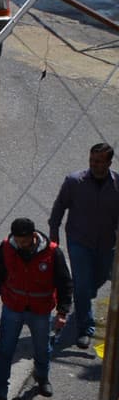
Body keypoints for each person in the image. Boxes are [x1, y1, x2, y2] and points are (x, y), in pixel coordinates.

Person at [0, 217, 72, 400]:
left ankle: (42, 378)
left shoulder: (52, 252)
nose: (21, 245)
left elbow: (64, 283)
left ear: (33, 236)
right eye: (18, 240)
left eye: (24, 241)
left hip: (40, 311)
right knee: (4, 353)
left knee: (42, 349)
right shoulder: (7, 247)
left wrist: (62, 312)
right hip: (13, 308)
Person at [51, 142, 116, 351]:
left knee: (96, 280)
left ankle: (84, 297)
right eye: (91, 160)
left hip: (106, 243)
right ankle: (84, 329)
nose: (94, 165)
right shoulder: (74, 182)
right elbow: (59, 207)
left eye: (98, 161)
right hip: (79, 241)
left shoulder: (117, 185)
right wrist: (54, 236)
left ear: (109, 162)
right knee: (81, 283)